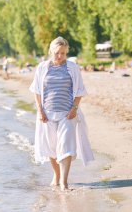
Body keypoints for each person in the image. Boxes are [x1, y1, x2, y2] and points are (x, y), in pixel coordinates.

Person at [29, 36, 94, 191]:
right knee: (51, 148)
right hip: (47, 114)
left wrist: (74, 109)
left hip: (67, 114)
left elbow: (79, 91)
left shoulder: (72, 67)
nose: (60, 56)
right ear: (51, 51)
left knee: (66, 147)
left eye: (63, 53)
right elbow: (37, 91)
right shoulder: (42, 67)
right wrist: (40, 111)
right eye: (57, 52)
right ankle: (56, 175)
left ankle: (64, 183)